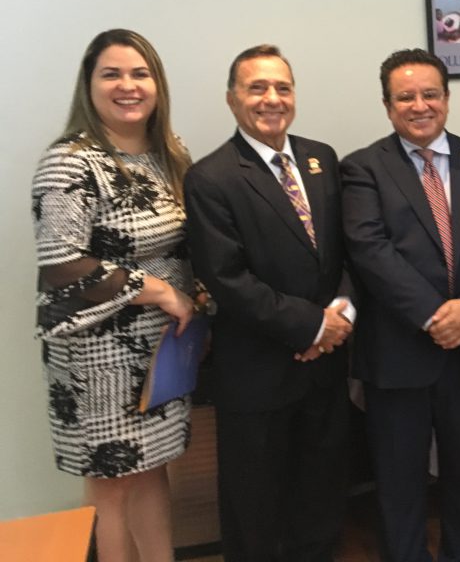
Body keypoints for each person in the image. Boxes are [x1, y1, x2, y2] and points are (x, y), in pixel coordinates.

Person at [340, 48, 460, 562]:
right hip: (399, 355)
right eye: (405, 97)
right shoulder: (363, 168)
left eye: (430, 94)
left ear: (446, 97)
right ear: (387, 104)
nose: (419, 106)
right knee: (399, 482)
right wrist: (437, 316)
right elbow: (370, 251)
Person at [31, 28, 197, 562]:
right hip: (95, 351)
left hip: (160, 350)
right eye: (112, 73)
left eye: (139, 73)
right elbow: (61, 265)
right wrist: (161, 292)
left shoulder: (169, 154)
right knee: (112, 482)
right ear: (89, 85)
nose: (128, 86)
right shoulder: (70, 161)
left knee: (152, 468)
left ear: (157, 84)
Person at [184, 45, 354, 562]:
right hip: (258, 374)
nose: (272, 98)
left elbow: (347, 251)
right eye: (257, 88)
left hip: (325, 368)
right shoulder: (211, 178)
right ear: (233, 100)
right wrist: (310, 327)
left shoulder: (321, 157)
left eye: (282, 87)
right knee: (255, 509)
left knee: (322, 494)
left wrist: (341, 315)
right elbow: (228, 279)